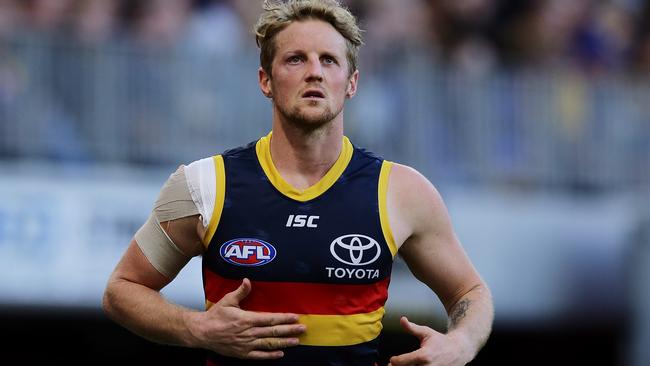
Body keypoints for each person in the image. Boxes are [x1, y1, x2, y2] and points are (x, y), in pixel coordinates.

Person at [102, 0, 494, 365]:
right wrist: (195, 329)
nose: (314, 71)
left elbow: (471, 294)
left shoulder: (402, 191)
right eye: (295, 59)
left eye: (329, 60)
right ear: (265, 80)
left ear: (352, 82)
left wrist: (459, 344)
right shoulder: (205, 184)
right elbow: (122, 289)